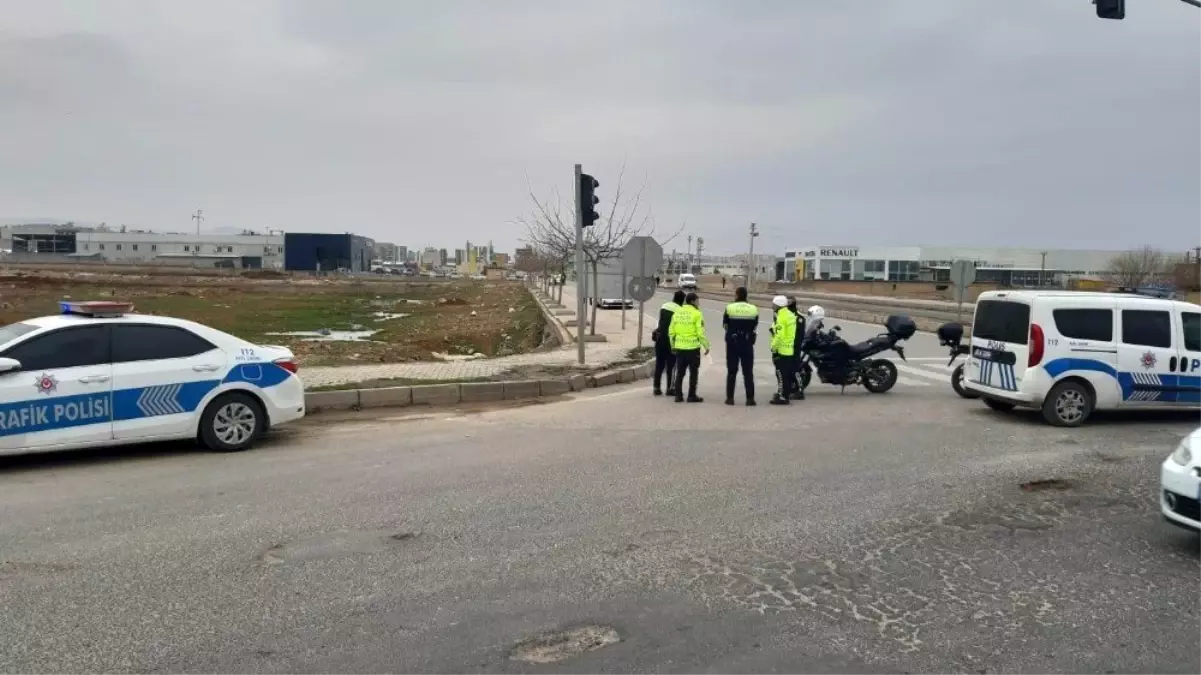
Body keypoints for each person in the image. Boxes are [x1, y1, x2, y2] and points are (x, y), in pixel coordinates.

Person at [669, 292, 709, 403]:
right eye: (698, 301)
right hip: (692, 349)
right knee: (693, 373)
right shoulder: (697, 314)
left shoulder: (677, 312)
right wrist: (706, 346)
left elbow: (671, 331)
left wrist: (673, 346)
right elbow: (700, 332)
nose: (699, 303)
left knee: (680, 373)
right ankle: (691, 396)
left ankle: (678, 396)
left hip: (680, 348)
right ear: (693, 301)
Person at [722, 287, 759, 406]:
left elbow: (725, 325)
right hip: (747, 343)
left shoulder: (729, 308)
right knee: (748, 372)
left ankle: (730, 399)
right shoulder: (753, 309)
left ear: (737, 295)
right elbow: (754, 326)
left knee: (732, 371)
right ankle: (750, 399)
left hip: (733, 343)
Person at [652, 290, 685, 396]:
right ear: (682, 300)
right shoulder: (681, 310)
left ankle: (656, 388)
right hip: (672, 341)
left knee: (659, 364)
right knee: (671, 366)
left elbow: (661, 322)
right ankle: (670, 389)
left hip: (660, 339)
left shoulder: (664, 306)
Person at [769, 295, 798, 405]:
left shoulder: (781, 317)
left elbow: (779, 335)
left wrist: (773, 347)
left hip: (781, 350)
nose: (772, 306)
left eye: (773, 304)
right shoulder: (790, 314)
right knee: (785, 374)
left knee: (781, 374)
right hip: (788, 349)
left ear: (778, 305)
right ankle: (783, 393)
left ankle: (782, 396)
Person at [787, 298, 807, 400]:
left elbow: (799, 335)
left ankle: (799, 390)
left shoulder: (799, 318)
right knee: (788, 370)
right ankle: (790, 388)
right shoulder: (788, 316)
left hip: (794, 348)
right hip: (787, 347)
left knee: (795, 369)